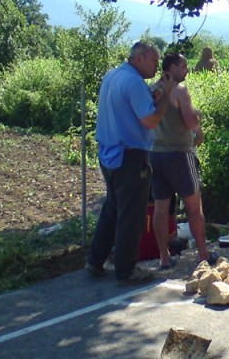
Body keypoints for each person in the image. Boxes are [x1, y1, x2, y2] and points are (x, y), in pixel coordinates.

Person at [85, 42, 173, 286]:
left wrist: (152, 94)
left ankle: (95, 260)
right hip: (130, 155)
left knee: (112, 208)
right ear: (141, 58)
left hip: (108, 152)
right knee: (132, 214)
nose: (157, 67)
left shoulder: (113, 76)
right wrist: (164, 97)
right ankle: (126, 270)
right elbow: (151, 120)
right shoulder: (134, 82)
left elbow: (131, 107)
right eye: (154, 61)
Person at [150, 52, 216, 268]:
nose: (187, 70)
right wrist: (197, 115)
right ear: (174, 67)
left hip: (155, 154)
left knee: (161, 208)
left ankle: (164, 257)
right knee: (194, 208)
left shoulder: (152, 89)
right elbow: (190, 121)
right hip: (179, 153)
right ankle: (204, 255)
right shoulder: (179, 90)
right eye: (184, 66)